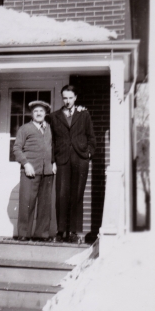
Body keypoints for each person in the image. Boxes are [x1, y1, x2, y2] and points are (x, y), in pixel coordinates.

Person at [49, 85, 96, 243]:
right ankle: (61, 231)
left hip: (80, 158)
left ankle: (74, 232)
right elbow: (53, 140)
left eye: (70, 97)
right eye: (65, 98)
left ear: (75, 98)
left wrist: (89, 153)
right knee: (61, 195)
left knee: (77, 195)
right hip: (62, 159)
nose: (67, 101)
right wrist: (53, 160)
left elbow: (91, 136)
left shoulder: (84, 114)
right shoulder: (54, 116)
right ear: (62, 98)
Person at [13, 101, 56, 242]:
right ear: (32, 113)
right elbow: (16, 149)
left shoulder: (50, 129)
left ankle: (41, 234)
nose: (38, 113)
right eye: (36, 111)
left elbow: (54, 148)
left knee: (45, 205)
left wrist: (54, 163)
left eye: (41, 111)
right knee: (27, 203)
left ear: (46, 113)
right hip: (30, 171)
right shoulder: (25, 129)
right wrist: (26, 164)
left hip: (47, 172)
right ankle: (24, 233)